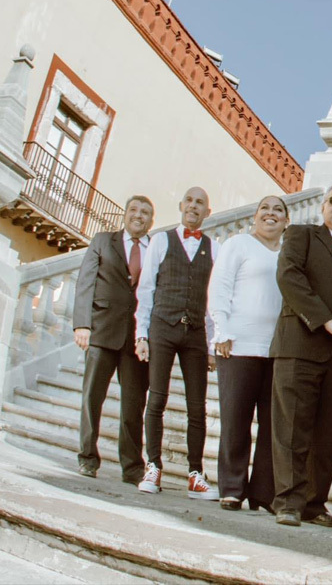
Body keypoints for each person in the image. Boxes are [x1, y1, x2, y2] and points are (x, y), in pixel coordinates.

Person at [271, 183, 332, 528]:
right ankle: (288, 502)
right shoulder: (301, 235)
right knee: (293, 427)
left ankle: (314, 504)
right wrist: (329, 322)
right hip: (302, 344)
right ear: (323, 207)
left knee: (329, 432)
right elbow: (289, 277)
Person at [134, 187, 219, 500]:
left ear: (207, 212)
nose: (194, 206)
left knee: (198, 406)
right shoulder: (161, 240)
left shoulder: (214, 247)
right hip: (162, 327)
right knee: (156, 398)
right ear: (181, 206)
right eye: (190, 201)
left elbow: (214, 299)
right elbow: (146, 289)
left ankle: (195, 474)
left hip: (196, 333)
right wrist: (141, 334)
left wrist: (212, 344)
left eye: (200, 202)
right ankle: (153, 468)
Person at [208, 196, 289, 511]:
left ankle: (262, 494)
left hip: (277, 348)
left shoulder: (288, 254)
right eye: (265, 209)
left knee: (272, 424)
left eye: (278, 210)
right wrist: (222, 330)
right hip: (238, 344)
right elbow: (220, 287)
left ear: (286, 222)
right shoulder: (238, 245)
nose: (270, 214)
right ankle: (231, 487)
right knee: (235, 419)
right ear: (255, 217)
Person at [73, 195, 155, 483]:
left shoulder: (156, 248)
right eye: (134, 209)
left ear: (151, 220)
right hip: (102, 331)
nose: (138, 215)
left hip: (136, 339)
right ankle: (87, 457)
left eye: (145, 212)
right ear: (125, 214)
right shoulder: (102, 241)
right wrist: (82, 324)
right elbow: (86, 281)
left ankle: (132, 467)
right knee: (92, 398)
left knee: (133, 406)